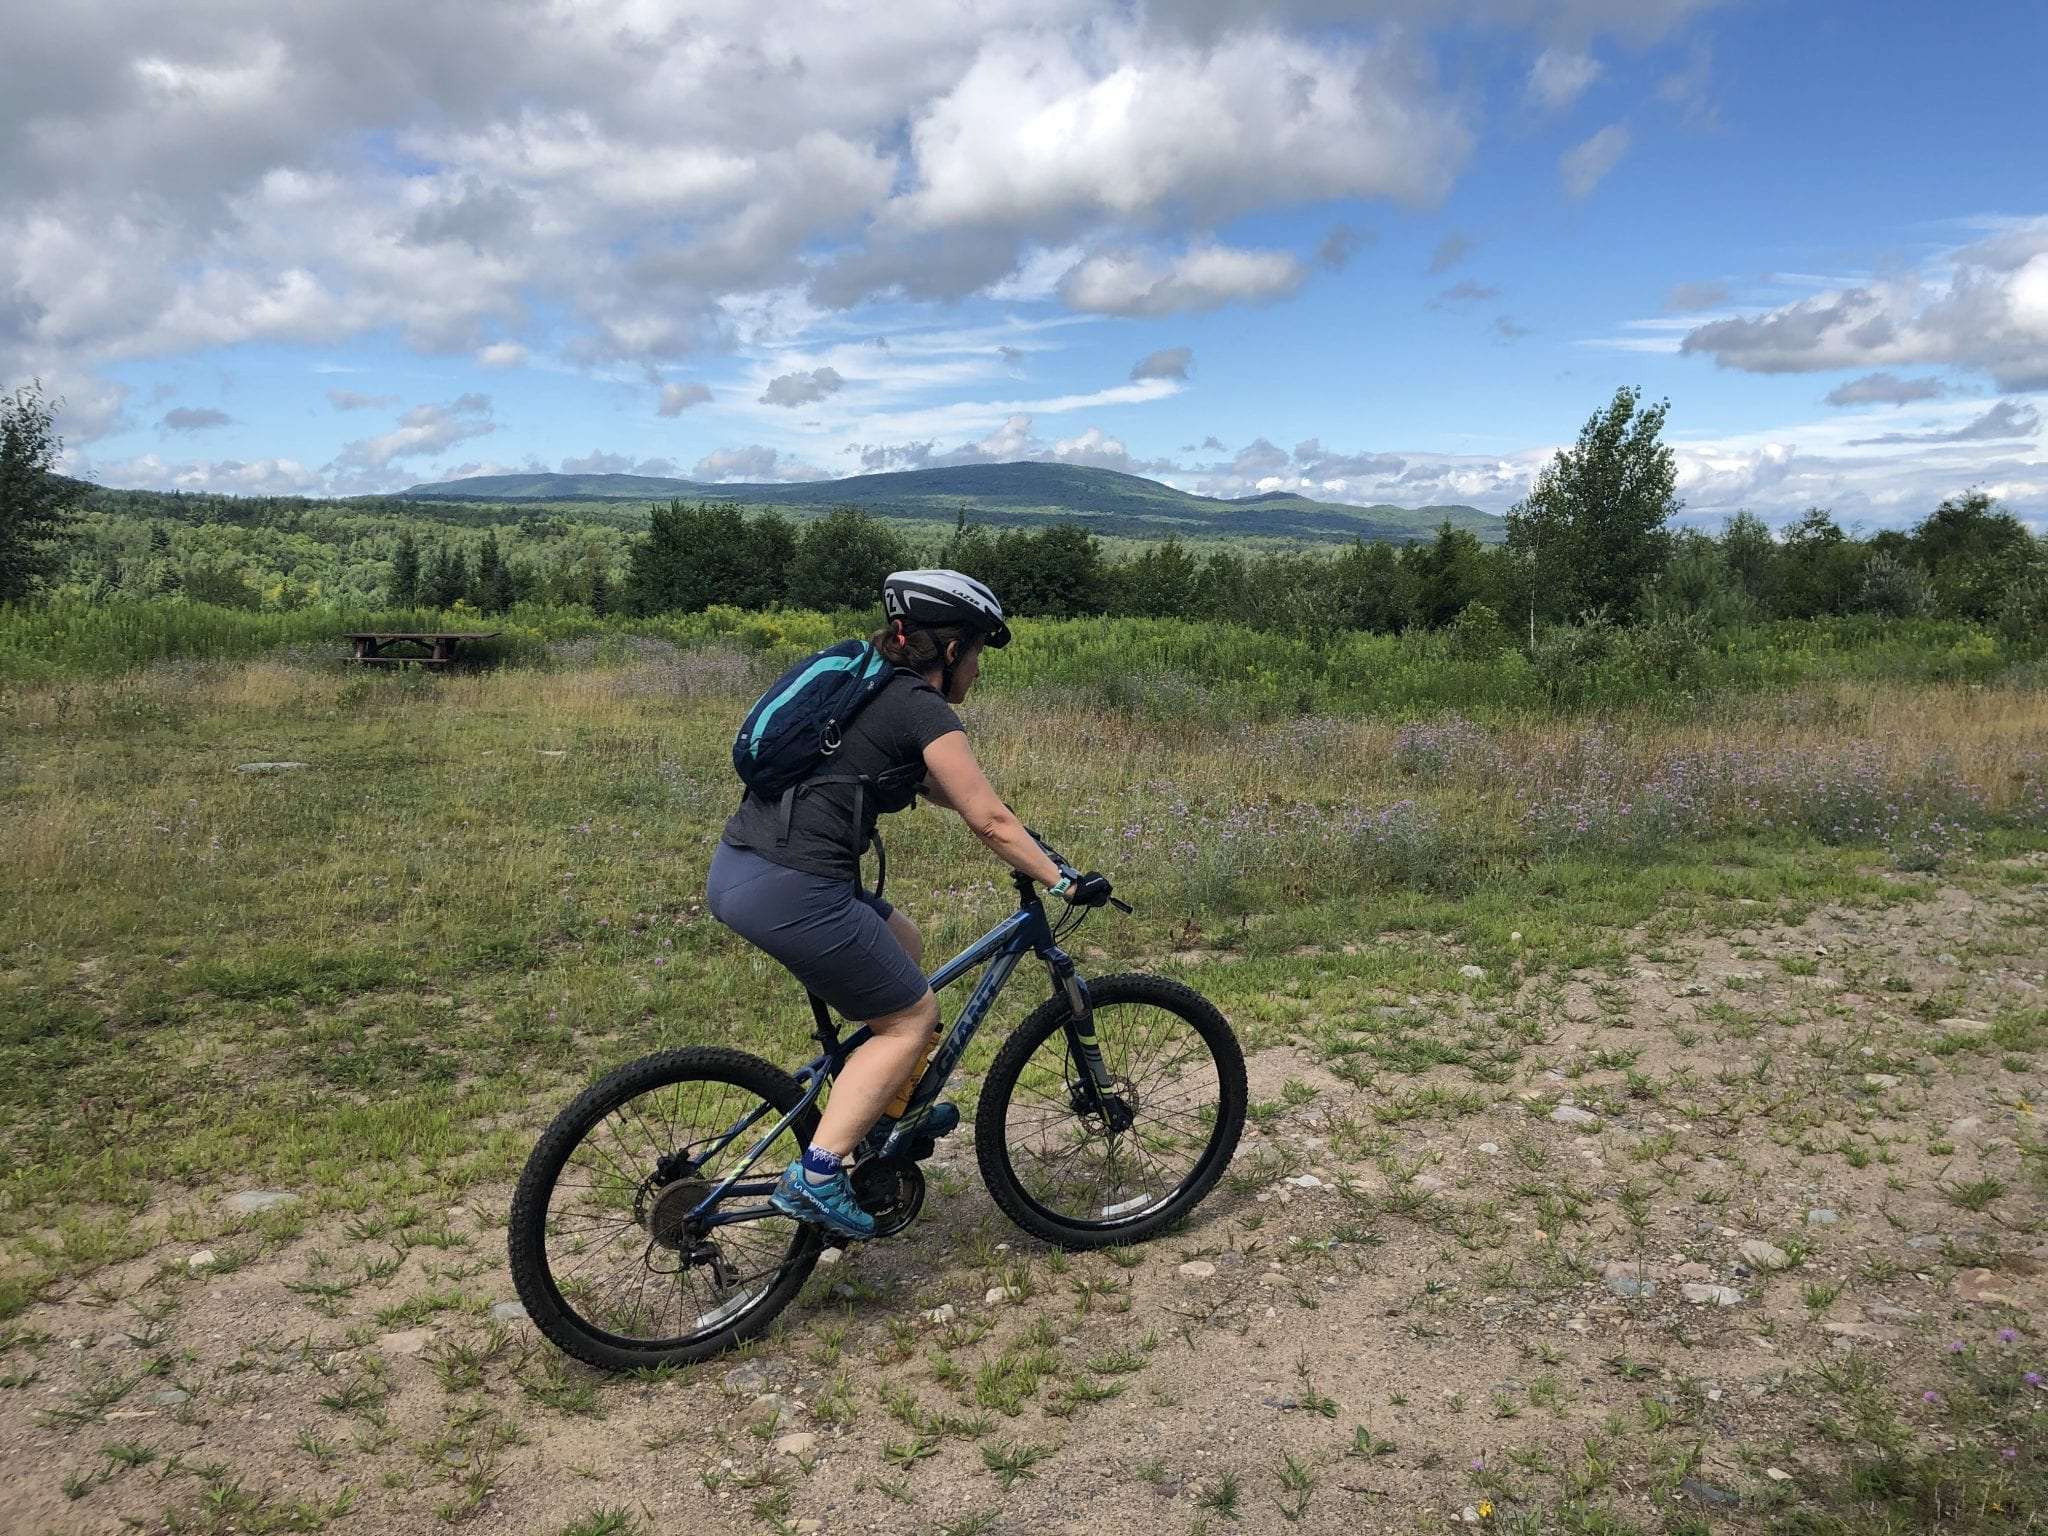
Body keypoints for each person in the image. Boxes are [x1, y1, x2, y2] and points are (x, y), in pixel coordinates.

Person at [707, 570, 1073, 1240]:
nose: (980, 668)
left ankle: (881, 1108)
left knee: (902, 942)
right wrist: (1064, 881)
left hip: (742, 869)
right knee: (911, 1018)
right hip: (796, 889)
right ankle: (818, 1175)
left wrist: (1022, 839)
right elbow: (987, 820)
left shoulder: (869, 679)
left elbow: (935, 786)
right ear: (951, 649)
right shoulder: (921, 706)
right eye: (979, 650)